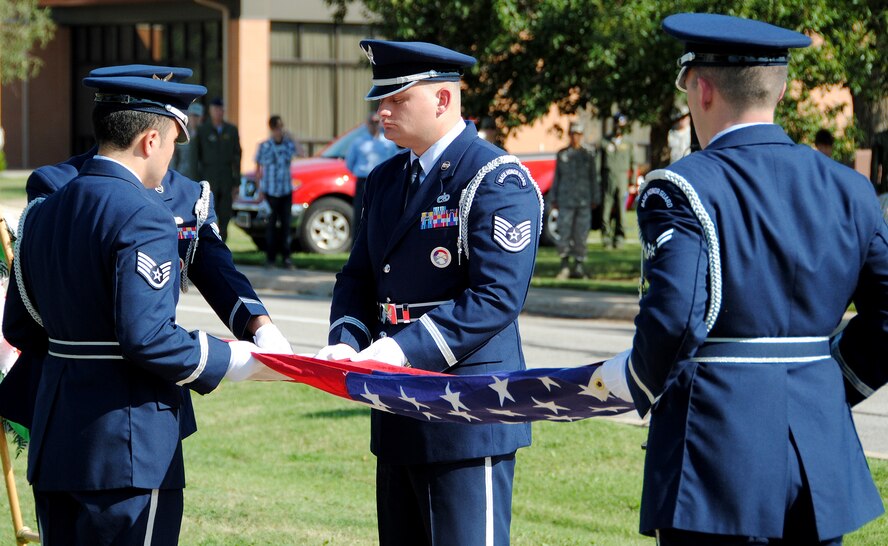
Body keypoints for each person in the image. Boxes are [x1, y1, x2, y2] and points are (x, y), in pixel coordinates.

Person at [600, 13, 886, 545]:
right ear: (778, 90)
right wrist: (835, 382)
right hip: (819, 452)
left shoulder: (681, 186)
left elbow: (676, 317)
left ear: (702, 89)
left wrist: (635, 381)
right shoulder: (850, 188)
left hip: (715, 453)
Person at [2, 67, 284, 544]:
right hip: (129, 440)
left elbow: (22, 325)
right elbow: (147, 336)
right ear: (151, 140)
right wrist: (235, 359)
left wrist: (261, 325)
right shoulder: (136, 209)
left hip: (59, 439)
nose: (176, 154)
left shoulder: (44, 212)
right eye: (174, 140)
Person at [315, 40, 541, 545]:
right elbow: (359, 278)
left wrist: (398, 348)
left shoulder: (493, 178)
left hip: (467, 412)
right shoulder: (385, 179)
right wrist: (346, 341)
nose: (382, 110)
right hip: (397, 407)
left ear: (441, 100)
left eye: (397, 98)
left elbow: (496, 298)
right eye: (381, 98)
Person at [551, 121, 599, 279]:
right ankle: (564, 266)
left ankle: (578, 266)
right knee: (564, 232)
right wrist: (554, 197)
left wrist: (595, 197)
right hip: (565, 200)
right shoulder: (562, 154)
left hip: (584, 201)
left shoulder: (588, 154)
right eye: (572, 134)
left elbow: (594, 177)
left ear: (582, 136)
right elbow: (557, 177)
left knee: (581, 234)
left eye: (578, 134)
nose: (575, 137)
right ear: (569, 135)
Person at [255, 115, 298, 268]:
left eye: (280, 128)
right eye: (276, 128)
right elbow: (258, 169)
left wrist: (293, 137)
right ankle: (270, 258)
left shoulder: (288, 145)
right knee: (271, 226)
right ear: (271, 129)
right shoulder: (265, 146)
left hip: (285, 190)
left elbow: (302, 153)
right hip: (270, 191)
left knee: (286, 226)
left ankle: (286, 257)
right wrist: (259, 190)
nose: (279, 131)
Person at [196, 96, 241, 241]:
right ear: (210, 111)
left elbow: (237, 157)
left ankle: (223, 246)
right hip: (209, 179)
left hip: (226, 179)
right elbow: (197, 158)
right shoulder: (203, 130)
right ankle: (209, 246)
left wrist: (236, 183)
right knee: (208, 216)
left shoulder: (231, 130)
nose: (218, 112)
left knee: (225, 215)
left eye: (220, 109)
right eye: (215, 109)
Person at [344, 111, 398, 231]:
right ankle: (357, 246)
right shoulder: (358, 142)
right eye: (371, 122)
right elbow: (349, 164)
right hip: (364, 181)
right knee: (360, 215)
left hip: (384, 182)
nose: (374, 124)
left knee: (383, 213)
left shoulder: (388, 143)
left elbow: (395, 162)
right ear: (367, 124)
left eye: (376, 121)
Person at [599, 112, 633, 248]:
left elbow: (634, 163)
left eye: (622, 126)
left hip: (622, 178)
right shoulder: (605, 141)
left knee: (621, 211)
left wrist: (633, 181)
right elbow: (598, 163)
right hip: (608, 179)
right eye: (617, 125)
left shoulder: (628, 143)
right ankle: (606, 238)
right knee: (605, 211)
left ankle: (619, 238)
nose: (619, 128)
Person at [170, 101, 203, 179]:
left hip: (200, 177)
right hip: (182, 175)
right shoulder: (181, 135)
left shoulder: (206, 136)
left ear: (201, 117)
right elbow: (175, 157)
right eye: (192, 116)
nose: (194, 119)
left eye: (197, 116)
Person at [869, 129, 888, 194]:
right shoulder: (880, 138)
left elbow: (874, 168)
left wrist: (873, 191)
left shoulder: (880, 138)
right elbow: (874, 168)